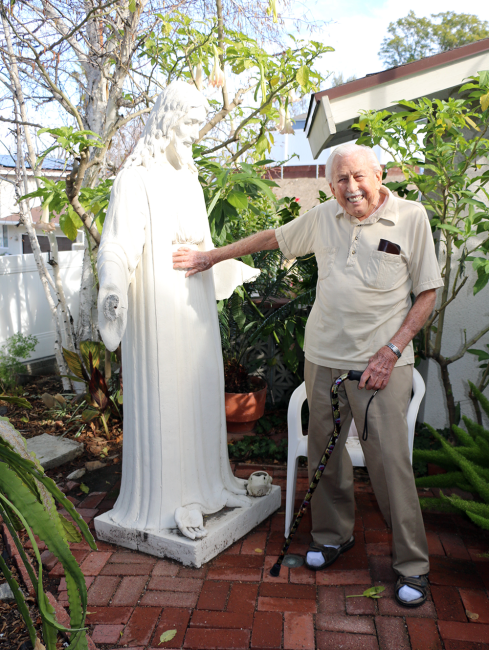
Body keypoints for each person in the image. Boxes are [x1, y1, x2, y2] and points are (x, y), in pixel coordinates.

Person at [172, 142, 444, 606]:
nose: (351, 187)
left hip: (381, 365)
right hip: (322, 358)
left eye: (358, 176)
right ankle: (333, 536)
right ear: (330, 184)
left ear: (379, 175)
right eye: (340, 179)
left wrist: (392, 349)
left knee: (390, 466)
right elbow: (271, 238)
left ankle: (412, 566)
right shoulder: (323, 218)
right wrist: (209, 257)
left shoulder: (411, 216)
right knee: (326, 455)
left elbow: (427, 293)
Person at [97, 81, 258, 543]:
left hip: (196, 307)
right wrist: (112, 285)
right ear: (167, 119)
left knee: (201, 392)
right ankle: (166, 498)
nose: (194, 132)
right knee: (166, 396)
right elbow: (117, 242)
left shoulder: (190, 178)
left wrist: (228, 265)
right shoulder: (135, 179)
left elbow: (202, 243)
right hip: (158, 308)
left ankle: (207, 484)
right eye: (188, 122)